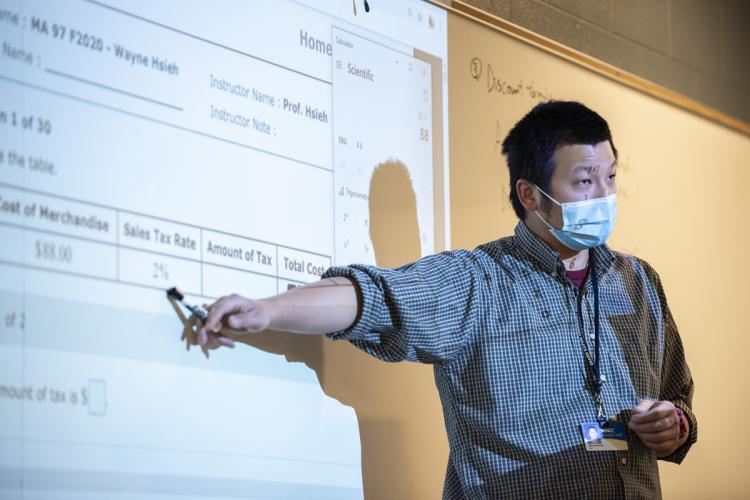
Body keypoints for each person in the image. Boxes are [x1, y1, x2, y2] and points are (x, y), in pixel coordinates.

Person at [192, 101, 697, 498]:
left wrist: (674, 426)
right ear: (530, 195)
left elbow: (679, 400)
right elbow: (375, 297)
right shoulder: (478, 281)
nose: (604, 196)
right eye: (584, 181)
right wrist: (266, 310)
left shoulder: (637, 281)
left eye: (611, 177)